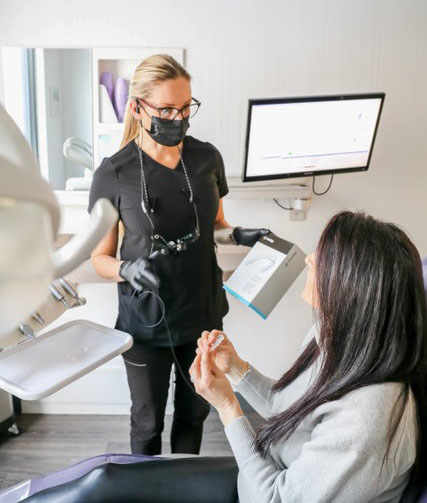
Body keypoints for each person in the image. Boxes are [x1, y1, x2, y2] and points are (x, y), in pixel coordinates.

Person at [88, 54, 269, 455]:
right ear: (137, 107)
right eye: (167, 109)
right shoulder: (114, 173)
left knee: (194, 414)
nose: (179, 118)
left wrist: (238, 233)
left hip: (203, 318)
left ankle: (184, 486)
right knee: (147, 421)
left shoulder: (206, 159)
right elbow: (99, 258)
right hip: (144, 326)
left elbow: (216, 227)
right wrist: (126, 269)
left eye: (186, 108)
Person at [190, 210, 427, 502]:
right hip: (260, 475)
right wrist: (236, 369)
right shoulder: (331, 335)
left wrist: (227, 407)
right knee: (117, 479)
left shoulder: (363, 422)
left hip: (266, 491)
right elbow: (292, 414)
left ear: (353, 286)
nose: (309, 258)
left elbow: (277, 498)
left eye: (324, 256)